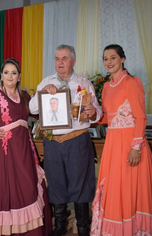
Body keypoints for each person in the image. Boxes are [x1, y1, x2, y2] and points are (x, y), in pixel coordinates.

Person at [90, 44, 152, 235]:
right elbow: (107, 117)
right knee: (115, 188)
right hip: (112, 143)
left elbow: (140, 117)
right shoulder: (106, 86)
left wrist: (136, 147)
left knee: (132, 188)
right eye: (105, 58)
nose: (109, 62)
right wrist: (92, 114)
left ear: (122, 59)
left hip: (131, 143)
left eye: (113, 58)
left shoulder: (132, 82)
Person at [0, 58, 52, 236]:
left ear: (19, 76)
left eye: (13, 73)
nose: (10, 76)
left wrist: (47, 94)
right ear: (1, 75)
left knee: (27, 187)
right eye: (6, 72)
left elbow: (37, 112)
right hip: (3, 153)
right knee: (5, 190)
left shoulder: (25, 96)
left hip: (24, 152)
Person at [29, 44, 102, 236]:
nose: (60, 63)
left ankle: (83, 227)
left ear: (73, 61)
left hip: (77, 141)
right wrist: (43, 91)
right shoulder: (46, 82)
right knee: (56, 183)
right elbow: (33, 109)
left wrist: (94, 112)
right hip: (53, 142)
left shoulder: (84, 83)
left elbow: (98, 111)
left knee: (81, 183)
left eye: (64, 58)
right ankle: (60, 225)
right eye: (57, 59)